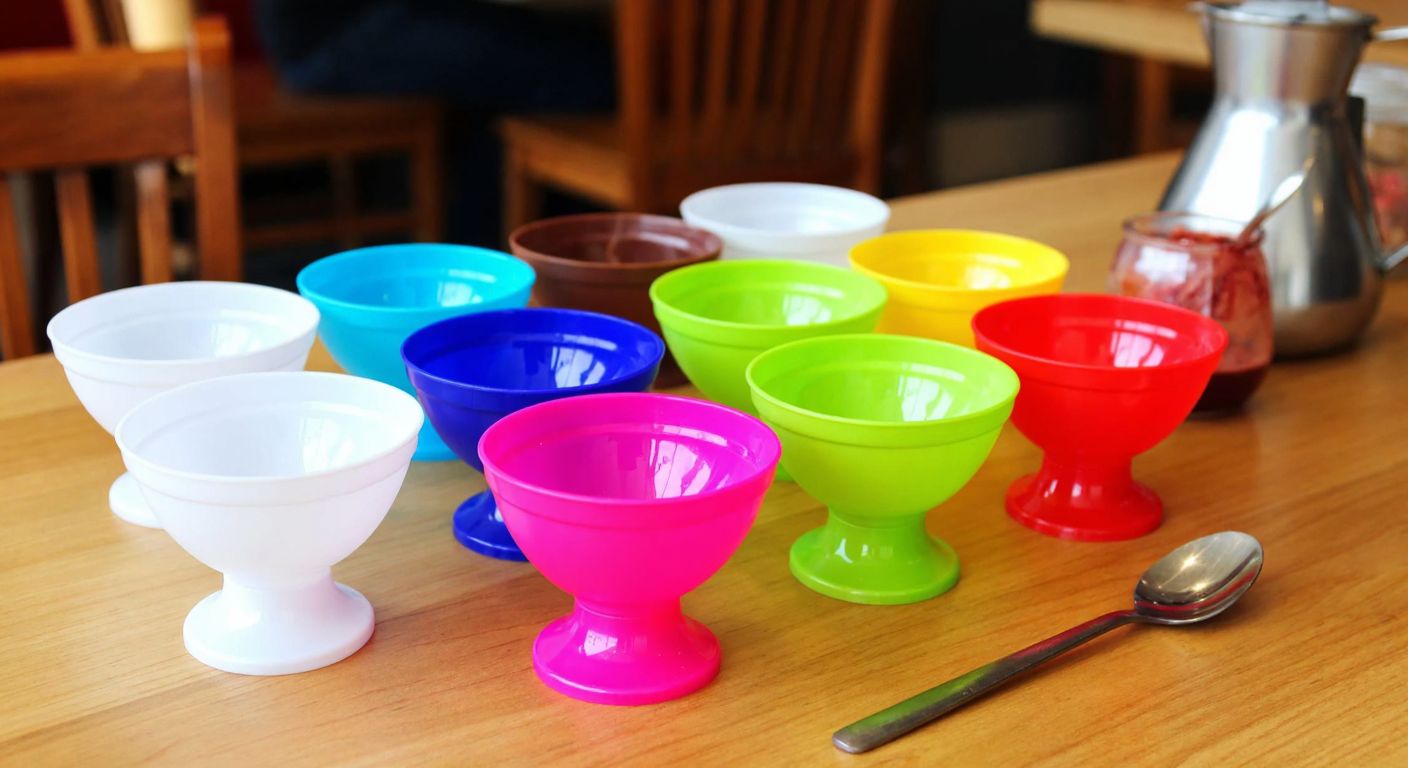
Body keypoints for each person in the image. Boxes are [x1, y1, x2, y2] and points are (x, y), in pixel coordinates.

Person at [254, 0, 615, 243]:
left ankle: (502, 261)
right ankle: (554, 261)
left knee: (542, 66)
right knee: (586, 68)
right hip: (334, 33)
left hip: (383, 15)